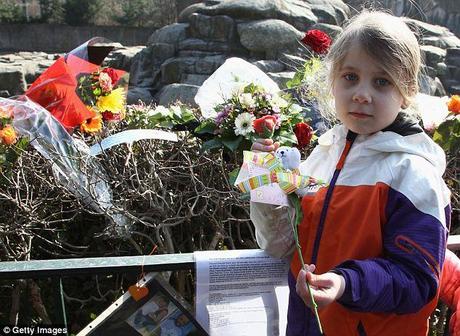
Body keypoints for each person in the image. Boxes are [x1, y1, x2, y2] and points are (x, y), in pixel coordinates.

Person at [250, 10, 451, 336]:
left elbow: (417, 281)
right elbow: (280, 245)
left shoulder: (413, 175)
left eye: (382, 81)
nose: (361, 93)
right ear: (333, 79)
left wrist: (346, 283)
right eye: (350, 77)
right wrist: (262, 180)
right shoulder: (321, 157)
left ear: (407, 90)